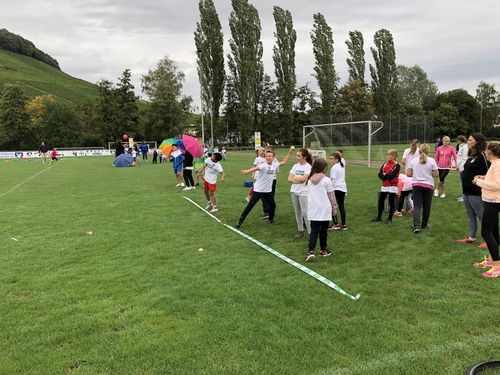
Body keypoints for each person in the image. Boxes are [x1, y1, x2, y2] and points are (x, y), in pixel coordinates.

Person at [473, 142, 500, 277]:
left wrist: (479, 182)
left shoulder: (497, 164)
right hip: (492, 200)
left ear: (490, 152)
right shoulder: (495, 164)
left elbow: (497, 185)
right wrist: (484, 177)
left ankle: (497, 266)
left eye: (486, 150)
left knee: (486, 232)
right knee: (494, 232)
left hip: (494, 201)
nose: (485, 152)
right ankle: (492, 261)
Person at [456, 133, 489, 246]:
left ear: (477, 142)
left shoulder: (482, 156)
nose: (468, 142)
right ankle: (471, 237)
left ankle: (488, 240)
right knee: (471, 215)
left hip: (477, 192)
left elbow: (488, 172)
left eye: (470, 140)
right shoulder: (471, 154)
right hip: (466, 191)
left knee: (481, 216)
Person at [236, 149, 280, 228]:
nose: (268, 157)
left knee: (273, 205)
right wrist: (247, 171)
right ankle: (240, 221)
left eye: (270, 156)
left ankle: (270, 219)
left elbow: (284, 162)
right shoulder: (263, 165)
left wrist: (290, 153)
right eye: (266, 156)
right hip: (258, 190)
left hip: (267, 191)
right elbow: (255, 168)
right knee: (250, 205)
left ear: (273, 157)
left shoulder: (275, 165)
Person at [305, 158, 337, 261]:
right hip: (324, 209)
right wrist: (334, 207)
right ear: (324, 168)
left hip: (313, 209)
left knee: (314, 231)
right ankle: (323, 250)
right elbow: (331, 196)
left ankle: (310, 251)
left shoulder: (309, 180)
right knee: (323, 231)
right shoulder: (327, 180)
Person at [406, 144, 438, 234]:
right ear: (428, 151)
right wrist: (429, 174)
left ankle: (416, 226)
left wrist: (416, 174)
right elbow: (436, 174)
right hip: (428, 185)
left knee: (417, 206)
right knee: (427, 206)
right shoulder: (431, 160)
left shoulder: (413, 161)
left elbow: (408, 174)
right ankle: (424, 224)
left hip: (416, 185)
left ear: (419, 151)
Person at [261, 146, 294, 219]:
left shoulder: (274, 160)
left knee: (270, 197)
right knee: (262, 196)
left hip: (271, 180)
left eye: (269, 151)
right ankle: (266, 211)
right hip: (262, 181)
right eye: (266, 151)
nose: (267, 152)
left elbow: (281, 165)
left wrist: (289, 153)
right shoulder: (262, 158)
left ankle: (270, 212)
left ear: (273, 153)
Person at [287, 148, 312, 238]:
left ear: (305, 157)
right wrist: (298, 179)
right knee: (297, 211)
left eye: (299, 156)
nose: (297, 157)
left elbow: (303, 179)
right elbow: (289, 178)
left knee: (305, 213)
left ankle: (310, 232)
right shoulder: (295, 166)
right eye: (296, 155)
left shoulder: (308, 167)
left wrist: (295, 178)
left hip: (304, 192)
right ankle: (300, 230)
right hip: (294, 191)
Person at [371, 149, 400, 224]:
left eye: (389, 155)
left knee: (391, 202)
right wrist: (384, 176)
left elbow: (392, 175)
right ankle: (379, 217)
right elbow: (379, 174)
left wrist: (385, 175)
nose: (387, 156)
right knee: (381, 201)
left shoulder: (397, 165)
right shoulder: (384, 164)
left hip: (392, 186)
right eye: (387, 154)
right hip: (384, 185)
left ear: (394, 156)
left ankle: (390, 219)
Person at [329, 152, 348, 230]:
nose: (330, 160)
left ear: (337, 159)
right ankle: (343, 224)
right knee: (341, 206)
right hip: (342, 189)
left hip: (336, 189)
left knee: (333, 206)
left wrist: (329, 190)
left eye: (331, 159)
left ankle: (335, 224)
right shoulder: (341, 166)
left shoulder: (334, 168)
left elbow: (332, 181)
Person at [456, 135, 469, 202]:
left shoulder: (465, 147)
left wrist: (461, 168)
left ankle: (464, 197)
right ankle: (463, 195)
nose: (457, 141)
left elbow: (464, 158)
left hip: (463, 168)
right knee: (463, 182)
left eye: (457, 140)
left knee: (464, 182)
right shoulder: (460, 146)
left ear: (460, 140)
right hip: (460, 167)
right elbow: (459, 157)